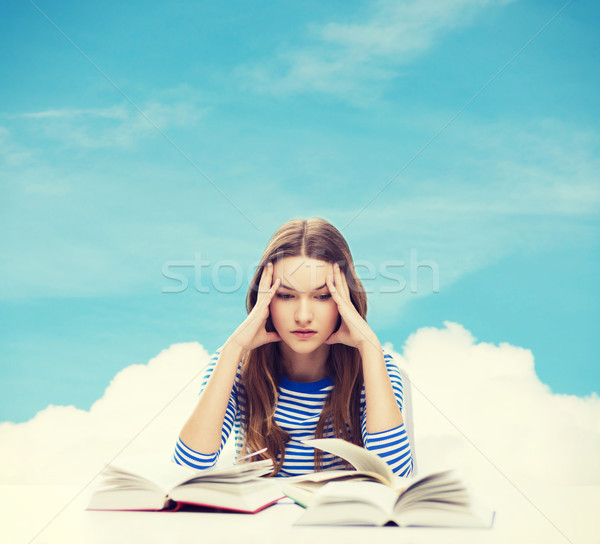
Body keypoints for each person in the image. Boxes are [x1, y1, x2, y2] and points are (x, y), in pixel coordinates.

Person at [173, 218, 413, 477]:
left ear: (346, 300)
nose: (303, 316)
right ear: (265, 299)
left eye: (322, 296)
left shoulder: (376, 365)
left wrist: (368, 347)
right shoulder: (235, 363)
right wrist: (234, 349)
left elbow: (396, 478)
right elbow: (188, 470)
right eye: (286, 295)